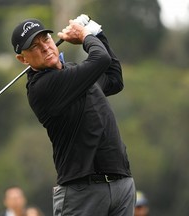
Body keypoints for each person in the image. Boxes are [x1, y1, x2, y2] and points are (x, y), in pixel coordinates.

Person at [11, 14, 135, 216]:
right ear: (22, 59)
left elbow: (113, 78)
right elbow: (100, 59)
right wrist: (85, 35)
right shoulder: (41, 87)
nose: (44, 47)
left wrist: (97, 32)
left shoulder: (76, 73)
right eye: (33, 46)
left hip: (121, 183)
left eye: (46, 39)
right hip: (82, 192)